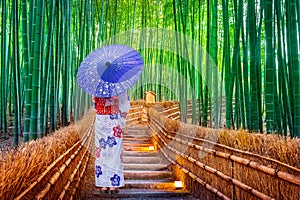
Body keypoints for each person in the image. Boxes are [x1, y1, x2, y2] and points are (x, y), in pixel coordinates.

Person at [93, 92, 130, 194]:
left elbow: (95, 104)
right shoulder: (119, 87)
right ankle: (114, 185)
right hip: (113, 119)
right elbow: (125, 106)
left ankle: (103, 184)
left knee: (101, 152)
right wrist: (115, 101)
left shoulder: (98, 87)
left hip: (100, 120)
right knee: (115, 153)